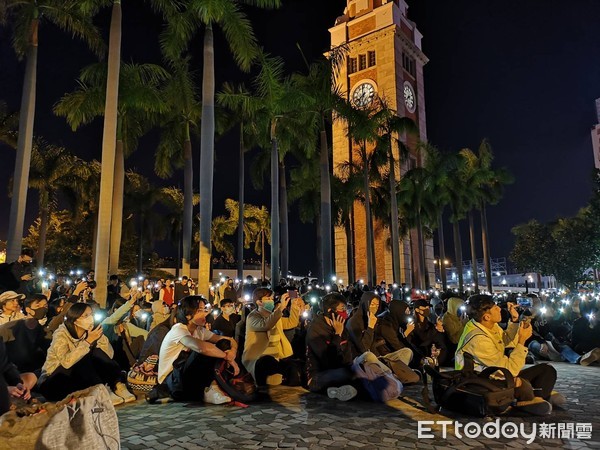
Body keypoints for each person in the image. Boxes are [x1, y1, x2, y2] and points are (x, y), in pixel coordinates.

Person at [456, 294, 563, 415]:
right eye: (496, 308)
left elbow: (506, 341)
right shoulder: (478, 339)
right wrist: (522, 341)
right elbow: (510, 370)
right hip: (481, 381)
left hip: (497, 374)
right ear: (487, 317)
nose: (500, 309)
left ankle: (536, 397)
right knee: (521, 384)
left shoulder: (487, 325)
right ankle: (533, 398)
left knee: (547, 370)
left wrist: (514, 320)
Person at [38, 303, 136, 405]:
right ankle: (100, 390)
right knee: (83, 357)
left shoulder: (90, 331)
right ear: (75, 320)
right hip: (53, 382)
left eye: (91, 314)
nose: (90, 318)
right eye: (85, 316)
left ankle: (117, 384)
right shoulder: (61, 334)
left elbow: (108, 355)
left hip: (76, 380)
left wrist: (100, 338)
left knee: (96, 352)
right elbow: (66, 362)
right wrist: (88, 342)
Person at [157, 296, 239, 403]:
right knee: (203, 351)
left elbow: (230, 340)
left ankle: (211, 388)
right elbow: (202, 348)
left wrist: (232, 352)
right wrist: (227, 357)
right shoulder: (179, 329)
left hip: (187, 379)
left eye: (205, 309)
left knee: (222, 344)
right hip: (172, 383)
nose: (205, 313)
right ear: (188, 315)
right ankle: (209, 388)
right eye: (200, 310)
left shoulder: (200, 330)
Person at [242, 288, 302, 387]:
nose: (271, 300)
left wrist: (294, 305)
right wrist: (281, 308)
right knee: (267, 361)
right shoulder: (252, 317)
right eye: (268, 298)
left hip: (277, 358)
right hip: (259, 360)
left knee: (295, 367)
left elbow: (292, 322)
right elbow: (266, 325)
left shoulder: (274, 316)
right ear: (259, 302)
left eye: (272, 298)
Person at [305, 293, 357, 401]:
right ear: (330, 311)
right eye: (342, 309)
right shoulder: (316, 330)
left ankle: (344, 389)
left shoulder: (341, 325)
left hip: (340, 369)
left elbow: (348, 353)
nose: (345, 313)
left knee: (367, 362)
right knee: (346, 374)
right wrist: (337, 335)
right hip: (319, 376)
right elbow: (328, 360)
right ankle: (342, 389)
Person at [0, 294, 50, 374]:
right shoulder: (10, 327)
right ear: (28, 309)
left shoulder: (44, 332)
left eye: (45, 306)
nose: (42, 309)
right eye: (38, 306)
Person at [406, 298, 448, 367]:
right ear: (417, 310)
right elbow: (420, 340)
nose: (427, 308)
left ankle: (436, 364)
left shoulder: (429, 324)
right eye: (425, 307)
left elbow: (436, 338)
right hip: (416, 355)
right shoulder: (411, 325)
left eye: (428, 307)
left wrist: (440, 330)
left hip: (429, 354)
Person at [345, 291, 381, 357]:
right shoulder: (353, 322)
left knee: (405, 352)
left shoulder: (371, 318)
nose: (375, 308)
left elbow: (372, 344)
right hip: (358, 358)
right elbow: (364, 349)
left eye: (377, 305)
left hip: (372, 356)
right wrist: (370, 327)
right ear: (365, 304)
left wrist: (380, 357)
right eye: (372, 304)